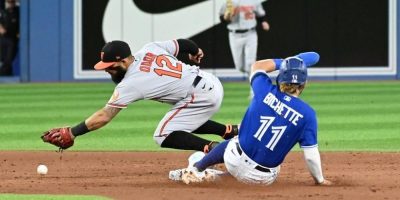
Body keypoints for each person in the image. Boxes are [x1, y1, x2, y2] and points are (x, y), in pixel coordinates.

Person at [41, 39, 238, 153]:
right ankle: (229, 131)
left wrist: (72, 132)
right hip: (209, 82)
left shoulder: (131, 83)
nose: (107, 70)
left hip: (201, 96)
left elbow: (104, 116)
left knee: (163, 135)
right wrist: (196, 52)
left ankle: (217, 150)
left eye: (111, 66)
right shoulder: (150, 48)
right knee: (180, 120)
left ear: (125, 60)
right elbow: (182, 44)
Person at [179, 52, 332, 186]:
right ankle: (214, 178)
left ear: (280, 77)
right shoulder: (308, 114)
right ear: (304, 84)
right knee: (268, 166)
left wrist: (286, 62)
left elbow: (258, 66)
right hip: (262, 178)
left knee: (235, 141)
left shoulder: (264, 89)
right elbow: (311, 157)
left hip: (233, 158)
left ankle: (197, 168)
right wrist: (320, 180)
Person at [219, 0, 270, 78]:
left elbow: (261, 14)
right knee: (239, 66)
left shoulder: (253, 1)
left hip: (250, 34)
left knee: (250, 63)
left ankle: (253, 87)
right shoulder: (229, 2)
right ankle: (251, 72)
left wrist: (264, 21)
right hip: (234, 35)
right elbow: (222, 18)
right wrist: (226, 17)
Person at [0, 0, 19, 76]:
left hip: (12, 38)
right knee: (3, 58)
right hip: (3, 38)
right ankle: (6, 74)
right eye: (9, 2)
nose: (10, 4)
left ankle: (4, 73)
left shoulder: (18, 11)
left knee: (9, 58)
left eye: (12, 2)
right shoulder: (3, 11)